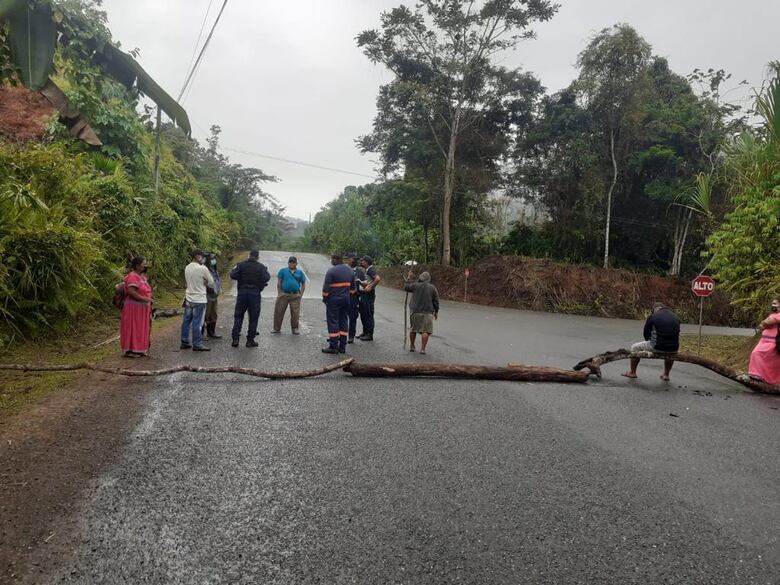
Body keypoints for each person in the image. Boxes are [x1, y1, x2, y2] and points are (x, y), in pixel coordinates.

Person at [622, 302, 680, 381]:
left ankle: (632, 372)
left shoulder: (653, 316)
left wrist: (648, 341)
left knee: (634, 347)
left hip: (657, 346)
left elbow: (646, 332)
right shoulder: (675, 317)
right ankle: (666, 375)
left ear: (655, 309)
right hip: (674, 347)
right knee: (670, 351)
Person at [230, 249, 271, 348]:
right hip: (255, 293)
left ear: (249, 255)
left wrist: (241, 276)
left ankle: (235, 339)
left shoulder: (241, 265)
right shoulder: (261, 267)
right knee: (253, 318)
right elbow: (267, 278)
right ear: (257, 257)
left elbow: (233, 275)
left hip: (242, 292)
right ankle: (250, 340)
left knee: (238, 316)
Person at [321, 252, 355, 354]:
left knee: (333, 322)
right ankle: (342, 346)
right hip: (346, 300)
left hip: (333, 300)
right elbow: (353, 290)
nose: (331, 261)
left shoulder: (331, 271)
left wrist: (325, 298)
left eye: (332, 259)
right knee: (344, 321)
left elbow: (326, 288)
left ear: (335, 260)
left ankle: (333, 346)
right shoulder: (350, 271)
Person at [181, 250, 214, 351]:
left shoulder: (187, 267)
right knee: (197, 322)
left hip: (189, 297)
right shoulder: (203, 269)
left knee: (186, 321)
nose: (203, 258)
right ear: (197, 256)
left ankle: (184, 341)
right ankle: (197, 343)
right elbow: (211, 283)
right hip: (199, 298)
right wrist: (205, 282)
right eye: (202, 256)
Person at [120, 256, 153, 358]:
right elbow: (131, 291)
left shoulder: (142, 277)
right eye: (144, 263)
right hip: (133, 308)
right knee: (133, 328)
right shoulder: (132, 276)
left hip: (142, 309)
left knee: (140, 328)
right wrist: (145, 299)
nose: (145, 265)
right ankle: (131, 350)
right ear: (137, 266)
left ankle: (139, 349)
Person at [404, 271, 439, 355]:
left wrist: (408, 278)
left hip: (415, 311)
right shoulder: (432, 288)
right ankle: (422, 349)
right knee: (425, 331)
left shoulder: (415, 285)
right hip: (428, 312)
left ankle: (412, 346)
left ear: (420, 278)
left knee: (413, 329)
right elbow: (436, 301)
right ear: (428, 279)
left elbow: (406, 287)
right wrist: (436, 311)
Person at [748, 299, 780, 385]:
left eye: (775, 304)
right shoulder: (773, 315)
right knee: (756, 353)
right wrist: (765, 323)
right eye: (772, 303)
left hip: (773, 342)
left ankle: (763, 377)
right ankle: (757, 375)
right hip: (764, 340)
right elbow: (762, 325)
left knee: (758, 354)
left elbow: (768, 322)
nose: (773, 305)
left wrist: (765, 322)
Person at [272, 256, 307, 334]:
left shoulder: (300, 272)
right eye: (290, 262)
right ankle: (276, 328)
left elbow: (303, 284)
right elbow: (279, 282)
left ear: (296, 264)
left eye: (293, 263)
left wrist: (300, 295)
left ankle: (295, 329)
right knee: (279, 311)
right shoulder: (283, 271)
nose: (291, 264)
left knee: (295, 313)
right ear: (288, 263)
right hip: (284, 294)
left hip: (295, 295)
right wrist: (279, 293)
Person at [357, 255, 381, 341]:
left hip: (369, 295)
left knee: (369, 314)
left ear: (367, 262)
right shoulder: (366, 270)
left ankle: (370, 334)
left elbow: (377, 279)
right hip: (364, 294)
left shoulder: (371, 269)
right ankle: (365, 331)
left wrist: (371, 287)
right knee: (363, 313)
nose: (361, 262)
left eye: (363, 261)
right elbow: (369, 281)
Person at [345, 252, 365, 343]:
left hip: (354, 298)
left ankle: (351, 336)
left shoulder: (360, 272)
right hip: (343, 296)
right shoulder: (344, 269)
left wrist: (359, 288)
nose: (354, 260)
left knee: (353, 317)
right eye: (352, 258)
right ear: (348, 260)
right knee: (341, 317)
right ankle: (339, 336)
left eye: (355, 259)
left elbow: (364, 284)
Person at [202, 252, 222, 339]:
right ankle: (200, 335)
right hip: (207, 295)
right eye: (212, 259)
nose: (214, 261)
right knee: (205, 314)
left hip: (214, 295)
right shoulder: (204, 269)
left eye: (214, 259)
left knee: (213, 314)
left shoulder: (214, 270)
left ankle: (211, 332)